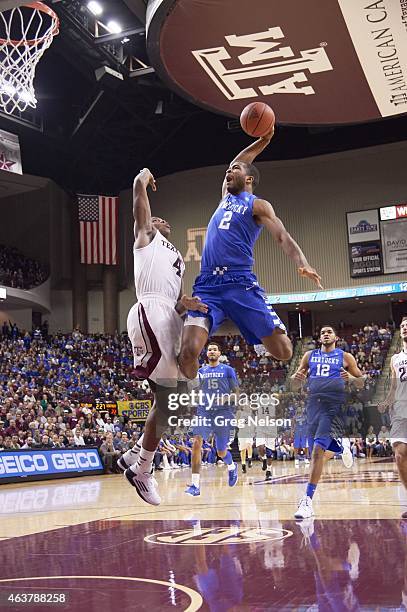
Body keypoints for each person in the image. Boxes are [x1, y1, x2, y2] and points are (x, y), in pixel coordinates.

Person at [179, 130, 322, 380]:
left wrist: (303, 263)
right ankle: (190, 394)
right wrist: (263, 141)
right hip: (208, 285)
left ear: (248, 179)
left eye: (234, 170)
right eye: (228, 170)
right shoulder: (225, 197)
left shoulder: (257, 205)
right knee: (188, 353)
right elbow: (241, 158)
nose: (228, 172)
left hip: (240, 283)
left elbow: (282, 236)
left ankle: (248, 325)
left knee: (284, 351)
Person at [120, 168, 207, 506]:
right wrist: (141, 179)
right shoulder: (145, 238)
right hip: (150, 312)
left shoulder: (178, 261)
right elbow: (137, 198)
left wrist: (185, 305)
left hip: (168, 316)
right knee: (175, 400)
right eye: (155, 220)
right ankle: (142, 468)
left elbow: (177, 300)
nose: (161, 222)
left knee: (178, 403)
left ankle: (136, 457)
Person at [291, 325, 365, 519]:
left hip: (334, 406)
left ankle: (307, 501)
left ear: (336, 337)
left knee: (316, 452)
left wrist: (350, 377)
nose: (325, 334)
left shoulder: (345, 357)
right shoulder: (308, 356)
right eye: (323, 332)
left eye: (329, 332)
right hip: (312, 405)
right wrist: (296, 379)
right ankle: (341, 446)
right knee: (316, 454)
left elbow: (362, 382)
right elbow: (295, 382)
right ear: (319, 337)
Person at [185, 342, 239, 496]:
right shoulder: (200, 371)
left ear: (219, 353)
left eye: (215, 349)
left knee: (221, 451)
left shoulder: (228, 370)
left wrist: (226, 398)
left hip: (223, 412)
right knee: (197, 442)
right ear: (206, 354)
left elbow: (236, 393)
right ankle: (195, 485)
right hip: (204, 412)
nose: (212, 351)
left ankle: (231, 467)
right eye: (209, 350)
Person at [378, 316, 407, 517]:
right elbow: (394, 385)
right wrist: (387, 400)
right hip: (401, 408)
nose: (405, 328)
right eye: (403, 325)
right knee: (399, 454)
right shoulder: (395, 358)